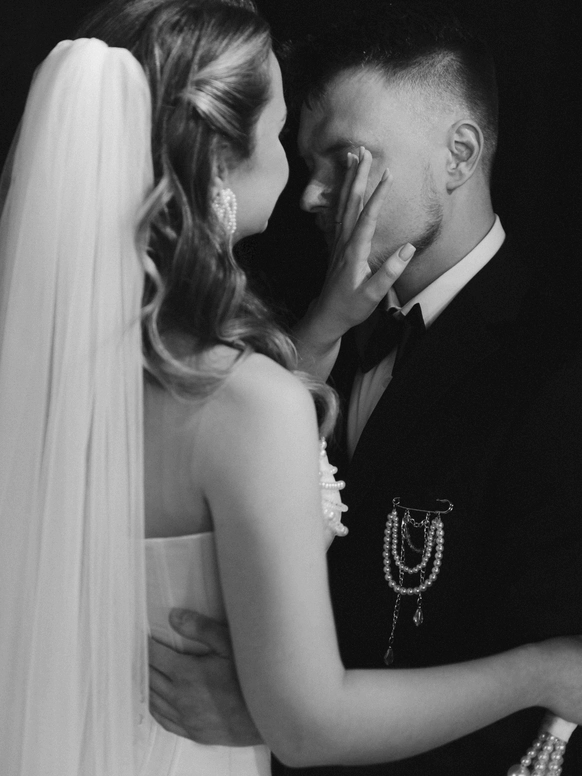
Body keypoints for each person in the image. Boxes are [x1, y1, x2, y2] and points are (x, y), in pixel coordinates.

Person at [1, 2, 582, 776]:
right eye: (294, 151)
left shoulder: (557, 366)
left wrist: (266, 709)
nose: (310, 195)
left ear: (459, 154)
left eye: (346, 160)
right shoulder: (276, 356)